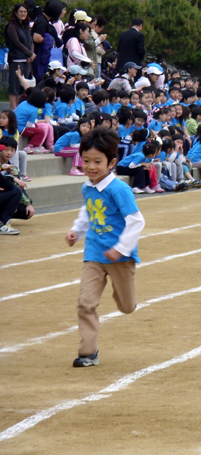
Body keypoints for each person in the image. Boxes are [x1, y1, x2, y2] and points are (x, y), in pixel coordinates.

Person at [65, 127, 144, 367]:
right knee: (85, 302)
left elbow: (136, 221)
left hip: (120, 257)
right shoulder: (87, 187)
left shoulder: (119, 189)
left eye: (97, 162)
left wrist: (120, 249)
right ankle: (88, 352)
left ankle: (122, 292)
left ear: (111, 163)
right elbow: (88, 211)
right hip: (94, 253)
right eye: (86, 160)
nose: (90, 167)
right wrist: (76, 231)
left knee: (127, 307)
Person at [6, 4, 34, 110]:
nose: (23, 14)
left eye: (25, 11)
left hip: (26, 60)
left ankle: (19, 107)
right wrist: (29, 53)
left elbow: (30, 42)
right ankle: (13, 109)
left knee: (23, 85)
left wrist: (31, 54)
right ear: (16, 13)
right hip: (16, 58)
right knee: (14, 84)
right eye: (21, 11)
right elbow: (16, 42)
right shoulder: (12, 26)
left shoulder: (26, 26)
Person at [0, 136, 27, 235]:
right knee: (15, 192)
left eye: (12, 150)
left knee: (23, 210)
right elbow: (9, 186)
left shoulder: (11, 168)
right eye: (6, 150)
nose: (9, 153)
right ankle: (2, 223)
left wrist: (29, 203)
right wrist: (12, 178)